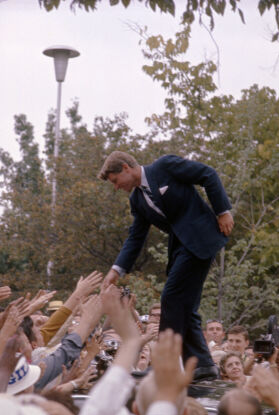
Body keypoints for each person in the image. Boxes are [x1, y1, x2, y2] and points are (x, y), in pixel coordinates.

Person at [100, 151, 233, 380]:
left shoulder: (165, 166)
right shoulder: (137, 200)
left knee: (170, 298)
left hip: (202, 239)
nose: (116, 187)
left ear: (125, 168)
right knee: (186, 306)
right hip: (181, 248)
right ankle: (203, 365)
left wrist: (222, 211)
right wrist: (116, 270)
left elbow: (208, 175)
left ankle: (163, 363)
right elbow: (135, 238)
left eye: (115, 181)